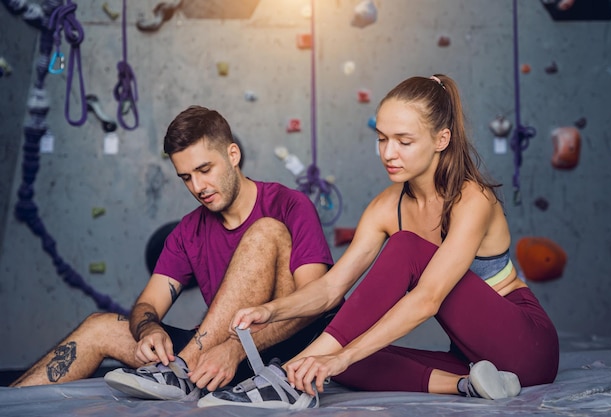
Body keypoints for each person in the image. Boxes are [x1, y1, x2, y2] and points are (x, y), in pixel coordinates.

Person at [199, 75, 560, 409]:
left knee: (398, 258)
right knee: (339, 365)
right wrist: (273, 310)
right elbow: (330, 289)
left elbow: (428, 299)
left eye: (404, 141)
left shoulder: (473, 199)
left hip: (527, 347)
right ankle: (467, 384)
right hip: (470, 356)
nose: (388, 153)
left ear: (441, 140)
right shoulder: (386, 207)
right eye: (383, 139)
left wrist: (338, 354)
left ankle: (286, 379)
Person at [11, 106, 338, 402]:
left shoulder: (289, 205)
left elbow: (311, 304)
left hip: (285, 357)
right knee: (99, 326)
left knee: (267, 231)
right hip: (212, 358)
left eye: (205, 169)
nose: (198, 186)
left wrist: (236, 348)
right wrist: (148, 330)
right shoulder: (188, 231)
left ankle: (184, 369)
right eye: (186, 177)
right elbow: (148, 305)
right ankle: (9, 402)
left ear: (233, 154)